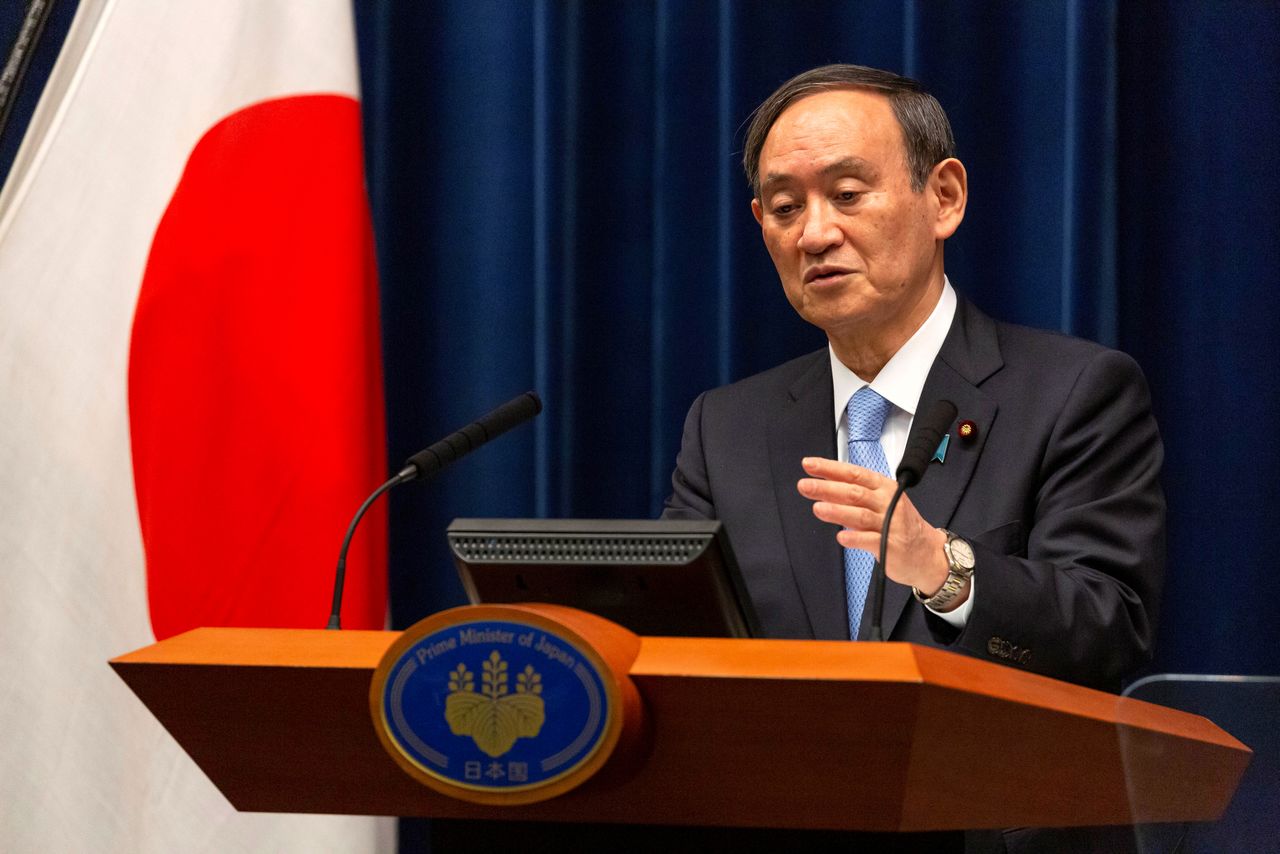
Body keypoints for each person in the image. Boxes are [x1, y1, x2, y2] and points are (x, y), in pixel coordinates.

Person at [663, 64, 1165, 695]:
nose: (815, 234)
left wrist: (942, 566)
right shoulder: (725, 428)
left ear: (944, 198)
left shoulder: (1074, 394)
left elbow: (1109, 631)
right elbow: (674, 639)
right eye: (787, 208)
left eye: (847, 194)